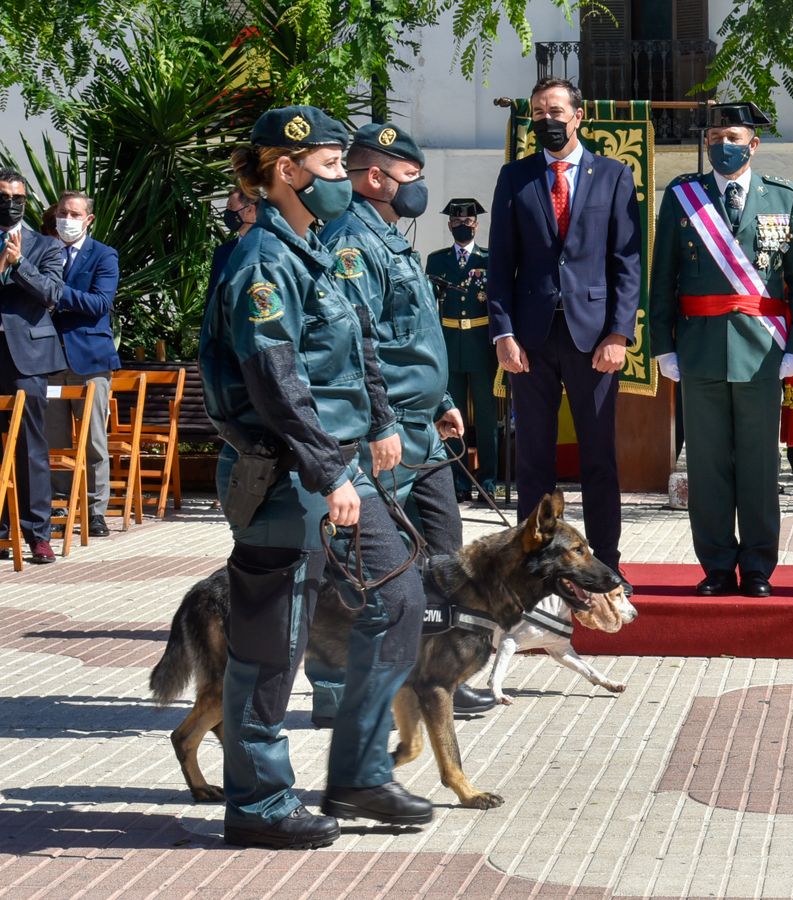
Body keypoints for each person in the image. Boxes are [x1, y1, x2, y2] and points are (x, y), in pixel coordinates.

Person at [199, 106, 432, 849]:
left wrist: (384, 420)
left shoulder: (312, 248)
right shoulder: (261, 260)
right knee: (274, 637)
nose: (342, 179)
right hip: (286, 471)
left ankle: (359, 772)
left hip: (339, 463)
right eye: (330, 167)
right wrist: (329, 465)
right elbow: (274, 377)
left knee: (399, 597)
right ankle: (259, 803)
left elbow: (359, 334)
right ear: (285, 170)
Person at [313, 123, 495, 720]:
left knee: (442, 552)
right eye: (411, 179)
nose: (419, 190)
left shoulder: (392, 236)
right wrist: (382, 420)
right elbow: (358, 342)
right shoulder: (350, 242)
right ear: (376, 177)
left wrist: (442, 398)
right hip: (384, 430)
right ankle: (337, 689)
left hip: (422, 426)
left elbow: (411, 334)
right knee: (367, 562)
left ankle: (439, 675)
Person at [650, 102, 793, 598]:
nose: (725, 145)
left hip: (763, 352)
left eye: (735, 137)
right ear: (706, 144)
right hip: (699, 350)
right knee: (707, 466)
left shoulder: (783, 198)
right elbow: (664, 279)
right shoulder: (684, 197)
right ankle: (718, 564)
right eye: (717, 137)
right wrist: (664, 347)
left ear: (754, 144)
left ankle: (760, 566)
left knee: (760, 466)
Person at [488, 78, 641, 589]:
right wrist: (502, 332)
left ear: (579, 115)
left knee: (599, 456)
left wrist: (619, 333)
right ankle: (534, 565)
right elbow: (501, 263)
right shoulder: (516, 177)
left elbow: (626, 262)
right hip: (529, 340)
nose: (545, 119)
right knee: (534, 458)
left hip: (593, 338)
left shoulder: (615, 175)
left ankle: (606, 564)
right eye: (537, 112)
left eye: (555, 110)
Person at [0, 168, 65, 565]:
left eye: (17, 197)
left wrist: (19, 262)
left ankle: (38, 533)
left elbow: (52, 293)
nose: (10, 203)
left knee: (30, 446)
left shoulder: (45, 246)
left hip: (27, 359)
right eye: (3, 195)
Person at [46, 191, 120, 538]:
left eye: (74, 214)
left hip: (90, 359)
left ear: (88, 219)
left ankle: (94, 512)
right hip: (48, 359)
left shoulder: (103, 255)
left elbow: (100, 303)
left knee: (92, 439)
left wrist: (54, 292)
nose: (67, 219)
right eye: (63, 212)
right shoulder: (44, 252)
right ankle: (60, 501)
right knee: (54, 438)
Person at [426, 198, 498, 503]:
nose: (462, 226)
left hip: (481, 344)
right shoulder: (436, 260)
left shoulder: (488, 259)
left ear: (477, 225)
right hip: (449, 344)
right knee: (452, 416)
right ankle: (458, 480)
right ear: (449, 225)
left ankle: (489, 480)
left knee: (485, 415)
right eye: (456, 222)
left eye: (468, 222)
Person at [209, 188, 258, 303]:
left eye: (231, 207)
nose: (227, 212)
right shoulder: (222, 252)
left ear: (250, 210)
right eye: (227, 207)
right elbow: (212, 301)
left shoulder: (271, 250)